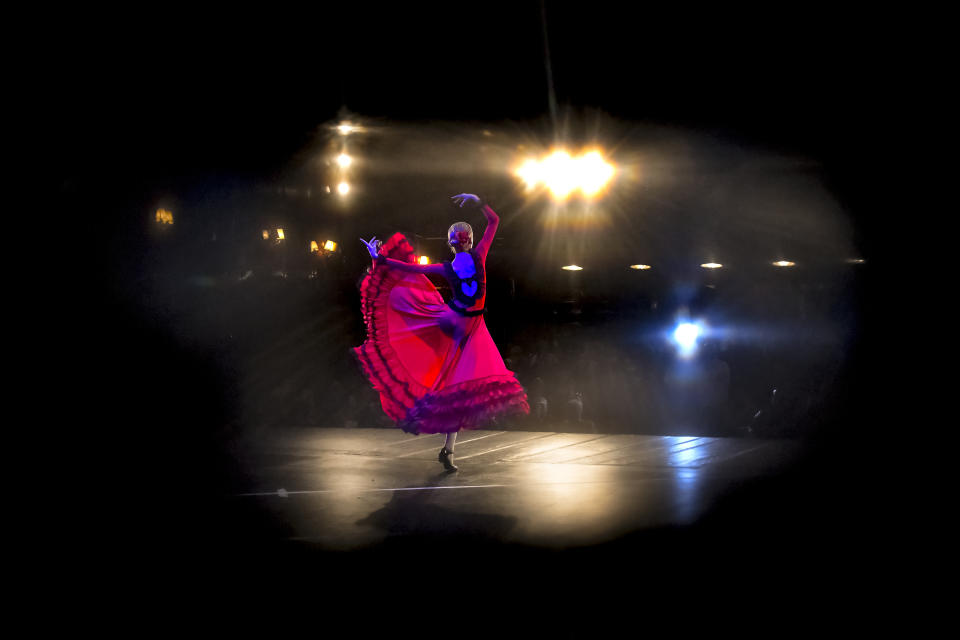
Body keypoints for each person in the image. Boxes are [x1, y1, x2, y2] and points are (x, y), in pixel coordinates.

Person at [354, 193, 529, 471]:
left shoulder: (450, 266)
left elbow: (409, 267)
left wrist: (382, 259)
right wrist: (479, 201)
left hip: (458, 322)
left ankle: (448, 450)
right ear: (468, 241)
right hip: (465, 327)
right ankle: (441, 436)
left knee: (455, 389)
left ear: (452, 243)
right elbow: (494, 222)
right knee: (455, 386)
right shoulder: (477, 255)